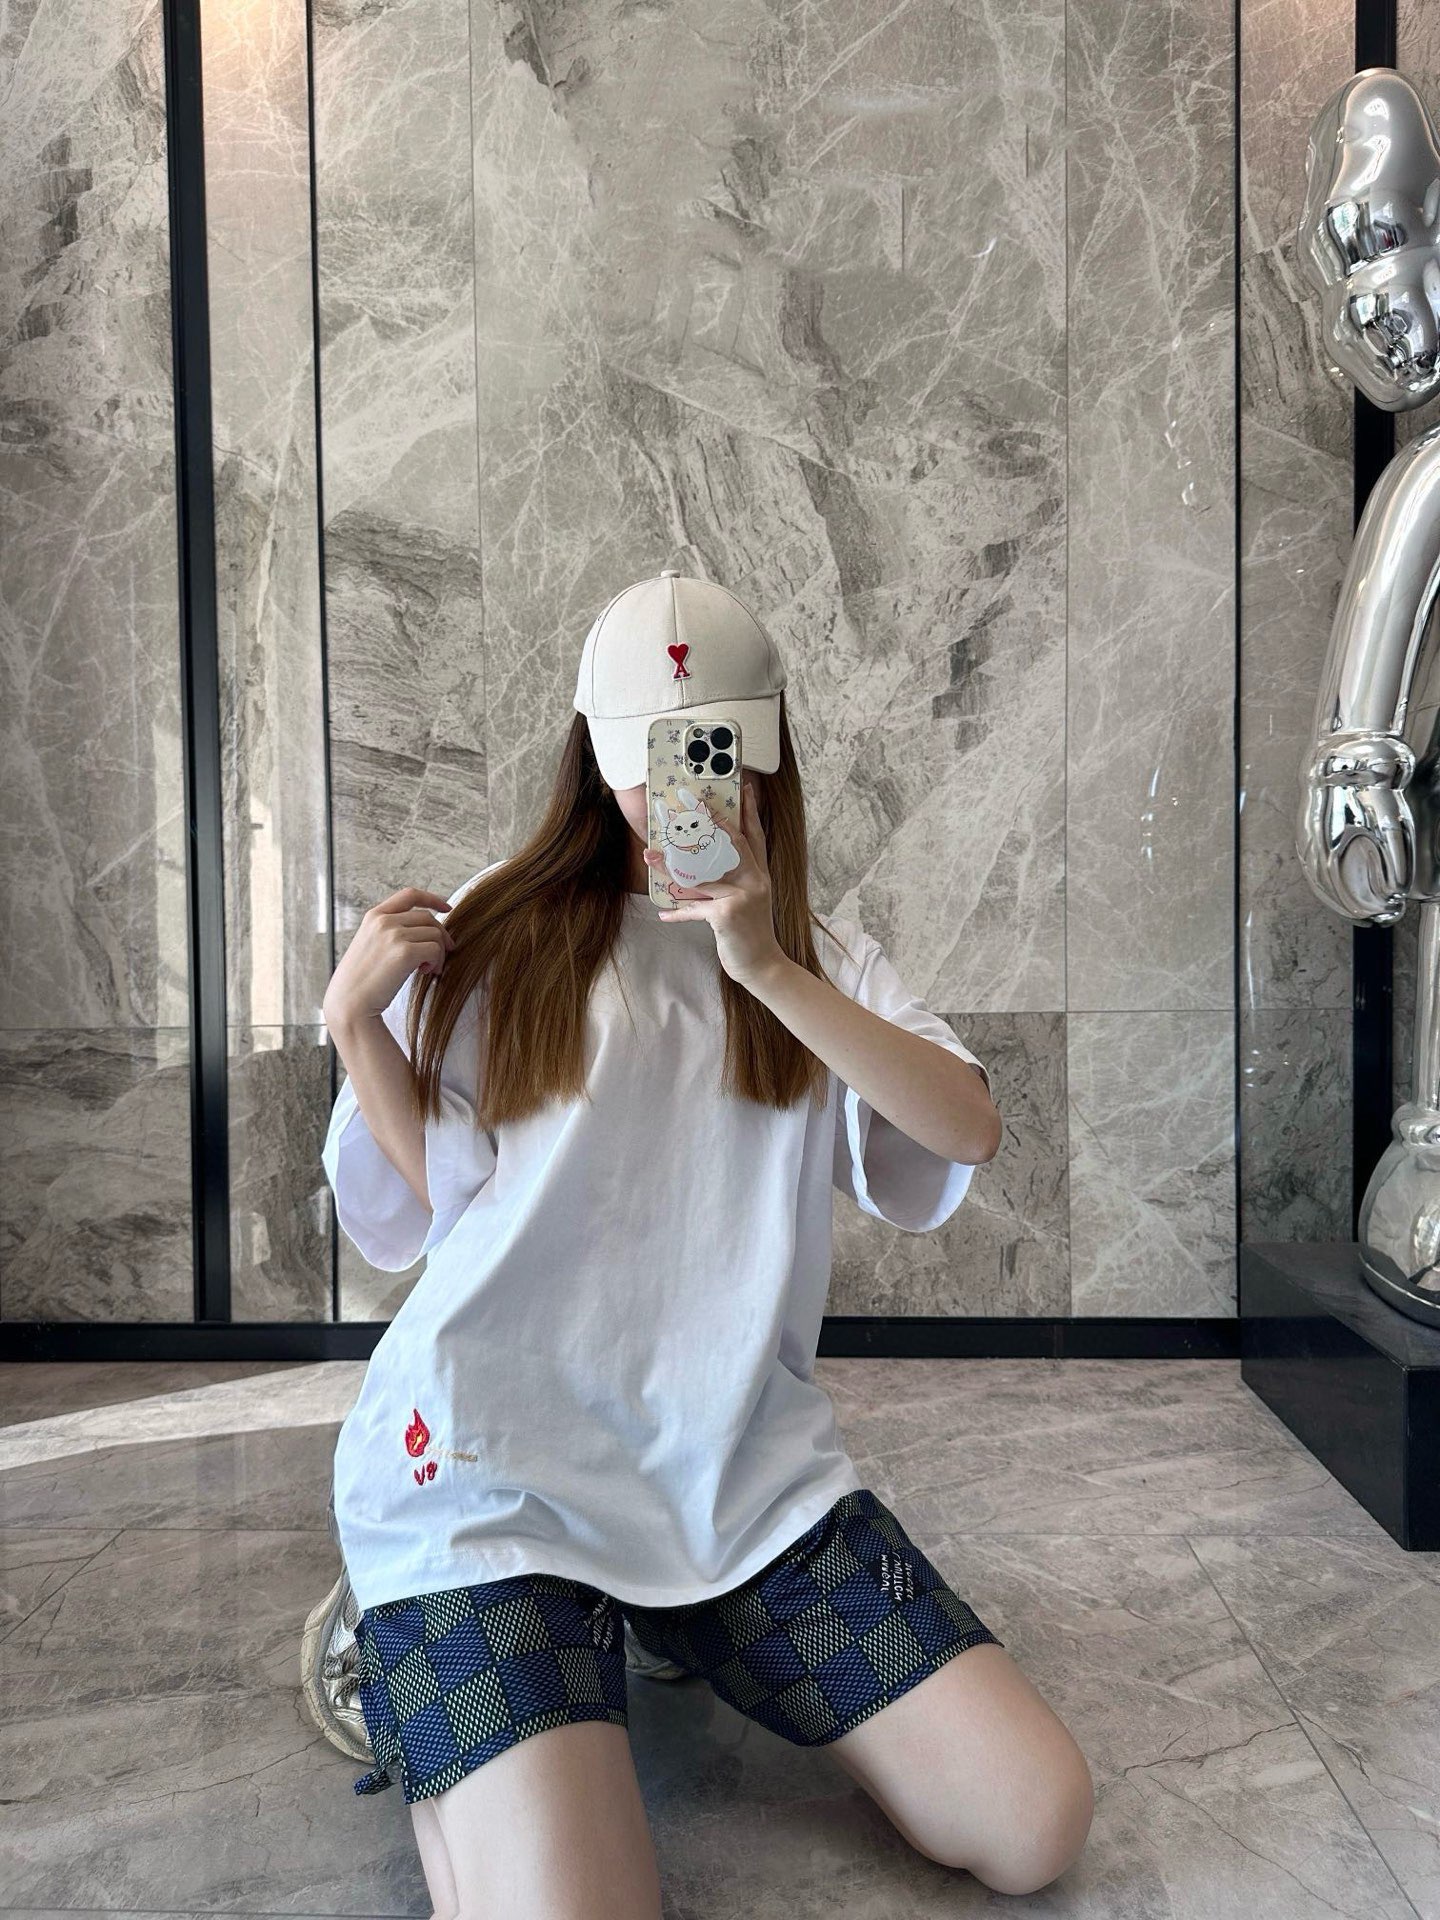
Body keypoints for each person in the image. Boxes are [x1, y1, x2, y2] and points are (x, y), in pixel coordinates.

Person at [318, 571, 1093, 1918]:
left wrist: (766, 967)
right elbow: (438, 1200)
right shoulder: (503, 929)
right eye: (643, 758)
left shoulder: (821, 960)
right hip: (495, 1478)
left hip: (735, 1480)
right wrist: (352, 1026)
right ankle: (403, 1643)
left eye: (705, 751)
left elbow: (966, 1127)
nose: (670, 791)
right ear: (593, 754)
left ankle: (664, 1624)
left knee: (1035, 1824)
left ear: (763, 752)